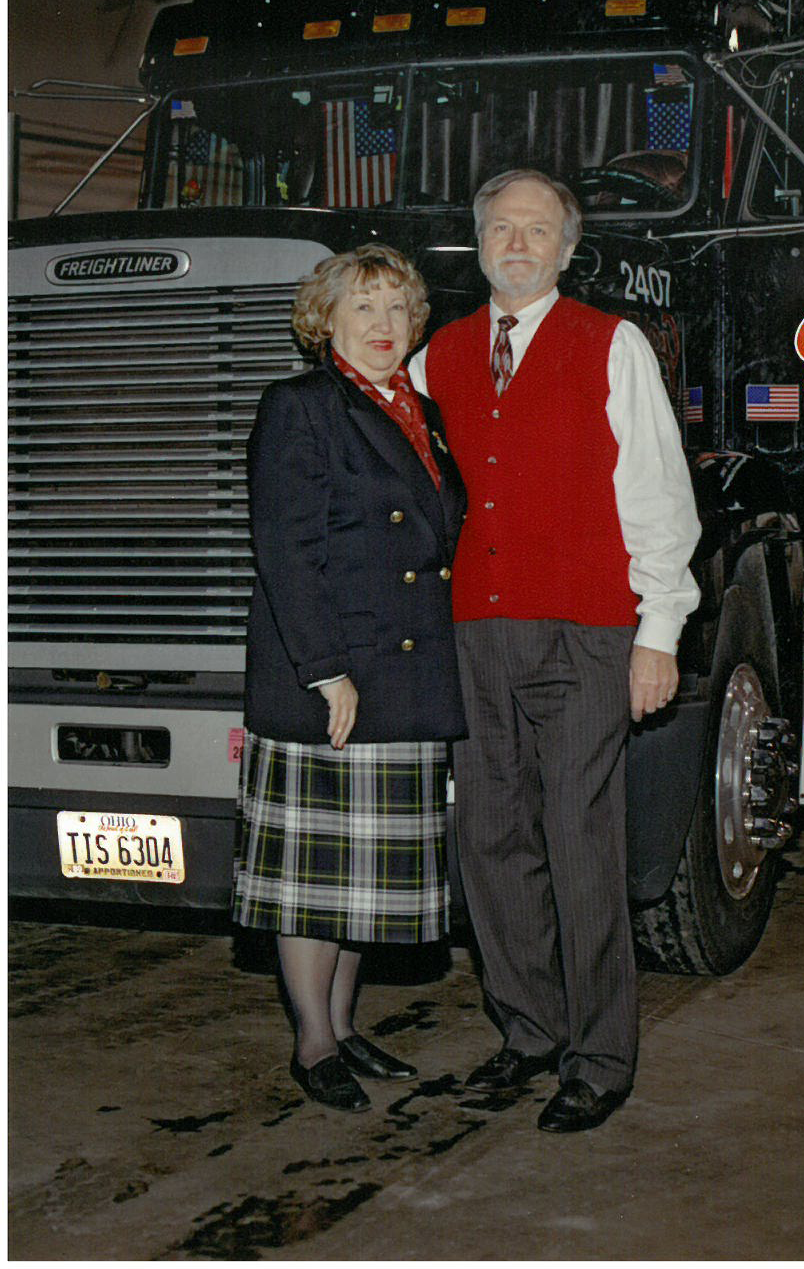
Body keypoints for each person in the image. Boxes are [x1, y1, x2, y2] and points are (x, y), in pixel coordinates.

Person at [408, 169, 701, 1133]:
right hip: (474, 632)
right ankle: (528, 1031)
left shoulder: (610, 345)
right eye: (501, 227)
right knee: (489, 841)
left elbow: (659, 495)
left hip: (586, 630)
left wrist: (659, 633)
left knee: (580, 838)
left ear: (568, 250)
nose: (519, 244)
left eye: (538, 230)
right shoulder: (439, 354)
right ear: (478, 239)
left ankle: (600, 1055)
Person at [233, 244, 467, 1113]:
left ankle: (343, 1020)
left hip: (404, 680)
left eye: (398, 310)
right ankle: (313, 1041)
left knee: (361, 879)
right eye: (363, 309)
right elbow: (285, 552)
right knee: (312, 878)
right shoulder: (300, 407)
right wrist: (326, 673)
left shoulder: (424, 413)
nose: (383, 327)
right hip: (330, 680)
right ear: (324, 321)